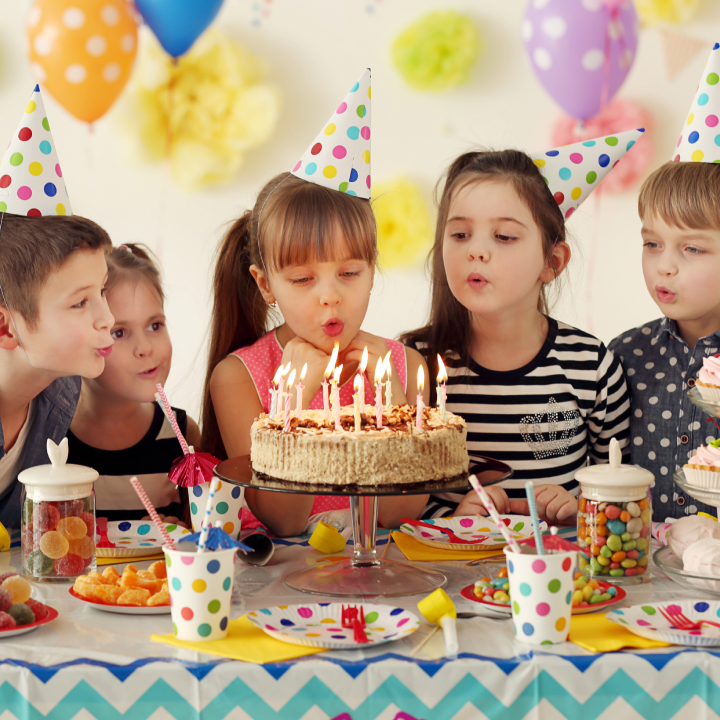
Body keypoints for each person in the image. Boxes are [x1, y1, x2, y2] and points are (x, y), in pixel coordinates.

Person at [202, 70, 428, 537]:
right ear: (265, 285)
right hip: (283, 586)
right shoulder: (237, 378)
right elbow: (281, 521)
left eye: (350, 273)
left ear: (373, 269)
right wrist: (294, 401)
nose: (331, 294)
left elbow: (400, 514)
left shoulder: (403, 365)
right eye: (303, 278)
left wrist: (390, 400)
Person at [402, 136, 640, 524]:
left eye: (504, 236)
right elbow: (395, 500)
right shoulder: (416, 362)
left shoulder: (591, 366)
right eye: (459, 234)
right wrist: (452, 514)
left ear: (552, 261)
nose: (476, 251)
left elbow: (623, 492)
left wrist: (578, 511)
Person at [608, 44, 720, 521]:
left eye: (691, 248)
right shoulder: (624, 356)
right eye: (652, 243)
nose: (663, 266)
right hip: (644, 576)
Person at [0, 86, 115, 529]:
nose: (107, 318)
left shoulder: (61, 391)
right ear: (5, 327)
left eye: (102, 292)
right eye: (81, 302)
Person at [67, 245, 199, 524]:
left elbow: (201, 533)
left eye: (155, 326)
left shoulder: (182, 435)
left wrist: (187, 533)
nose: (145, 348)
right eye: (119, 332)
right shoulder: (51, 437)